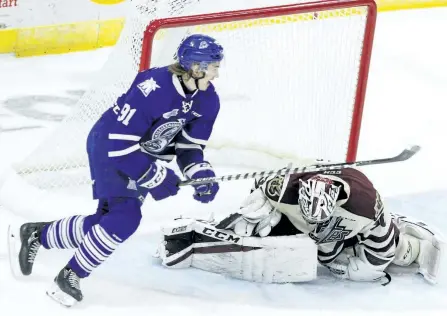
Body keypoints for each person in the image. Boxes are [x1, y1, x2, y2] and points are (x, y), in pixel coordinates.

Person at [11, 34, 224, 307]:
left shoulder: (208, 100)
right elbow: (118, 144)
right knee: (125, 217)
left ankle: (37, 235)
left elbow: (189, 148)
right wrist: (154, 175)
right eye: (214, 66)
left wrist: (199, 173)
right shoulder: (154, 88)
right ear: (196, 67)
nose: (217, 74)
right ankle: (69, 276)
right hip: (109, 145)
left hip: (140, 152)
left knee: (108, 220)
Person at [157, 167, 444, 285]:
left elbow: (381, 245)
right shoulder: (284, 188)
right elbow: (261, 186)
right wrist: (260, 205)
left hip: (345, 241)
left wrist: (367, 270)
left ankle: (413, 244)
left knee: (397, 252)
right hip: (304, 230)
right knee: (250, 227)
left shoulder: (366, 206)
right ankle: (197, 235)